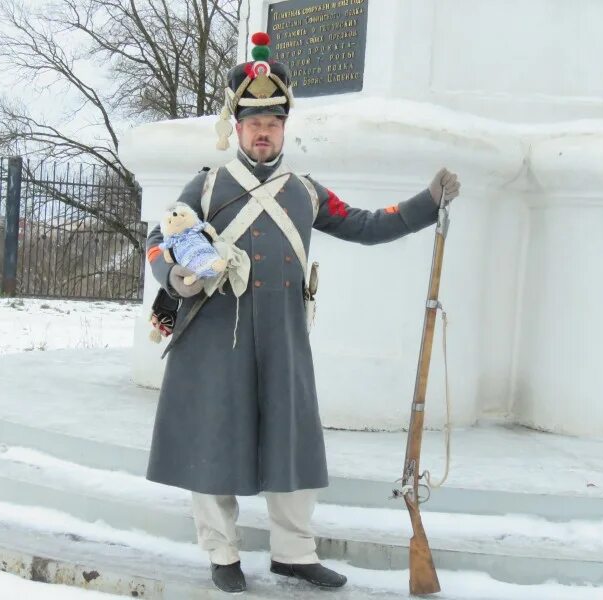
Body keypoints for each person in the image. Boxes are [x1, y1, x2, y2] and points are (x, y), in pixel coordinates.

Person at [144, 33, 460, 594]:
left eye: (272, 121)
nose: (263, 130)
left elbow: (367, 223)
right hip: (217, 335)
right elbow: (159, 239)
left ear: (284, 127)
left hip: (284, 336)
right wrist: (175, 274)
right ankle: (222, 552)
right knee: (213, 443)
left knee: (292, 445)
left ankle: (294, 553)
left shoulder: (306, 192)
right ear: (236, 127)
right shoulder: (209, 184)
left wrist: (426, 202)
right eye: (252, 121)